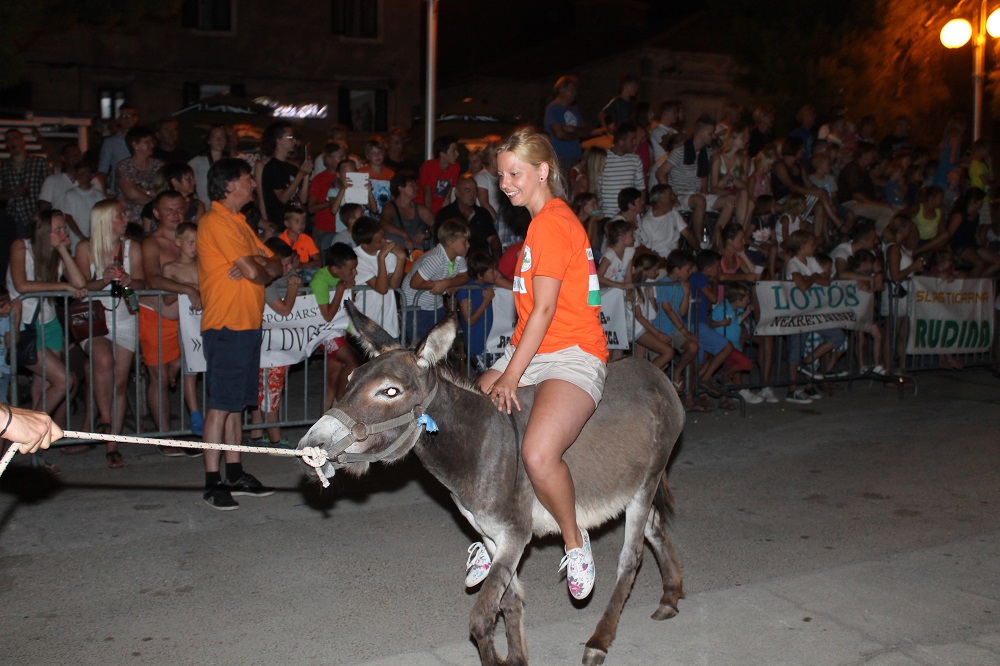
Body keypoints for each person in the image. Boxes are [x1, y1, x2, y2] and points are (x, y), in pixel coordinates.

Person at [473, 127, 608, 601]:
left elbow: (547, 309)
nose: (505, 182)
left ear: (542, 171)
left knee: (537, 453)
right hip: (533, 347)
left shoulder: (551, 221)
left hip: (572, 352)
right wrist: (506, 367)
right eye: (501, 174)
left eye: (515, 173)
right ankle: (496, 531)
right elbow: (532, 315)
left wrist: (511, 374)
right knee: (474, 415)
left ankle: (575, 541)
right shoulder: (538, 223)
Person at [196, 157, 283, 510]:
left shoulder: (240, 223)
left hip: (247, 324)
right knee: (220, 406)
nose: (252, 184)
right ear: (229, 185)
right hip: (227, 324)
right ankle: (211, 481)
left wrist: (258, 265)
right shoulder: (215, 222)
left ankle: (234, 471)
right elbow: (259, 271)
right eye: (248, 179)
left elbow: (275, 265)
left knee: (235, 407)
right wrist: (257, 266)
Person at [74, 198, 145, 468]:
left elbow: (142, 280)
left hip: (125, 317)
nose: (125, 219)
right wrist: (102, 279)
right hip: (94, 318)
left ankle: (112, 445)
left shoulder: (131, 247)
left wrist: (130, 281)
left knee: (119, 383)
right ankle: (105, 420)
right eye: (119, 215)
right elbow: (81, 285)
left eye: (124, 214)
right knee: (103, 360)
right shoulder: (85, 247)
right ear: (104, 220)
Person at [6, 211, 88, 426]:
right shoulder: (21, 247)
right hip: (25, 325)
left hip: (50, 324)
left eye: (65, 229)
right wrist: (62, 286)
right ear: (42, 231)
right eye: (58, 230)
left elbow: (80, 284)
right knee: (64, 380)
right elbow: (21, 285)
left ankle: (35, 452)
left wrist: (63, 250)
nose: (63, 233)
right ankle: (24, 434)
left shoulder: (56, 254)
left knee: (41, 387)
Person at [140, 191, 202, 447]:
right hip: (157, 315)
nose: (176, 215)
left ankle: (187, 422)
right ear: (156, 214)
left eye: (180, 209)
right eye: (170, 210)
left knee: (185, 369)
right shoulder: (152, 243)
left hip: (187, 320)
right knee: (159, 377)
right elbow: (153, 279)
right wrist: (188, 288)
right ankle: (165, 437)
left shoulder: (191, 237)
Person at [247, 237, 302, 448]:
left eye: (290, 263)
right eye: (284, 263)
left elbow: (293, 276)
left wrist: (293, 277)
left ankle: (255, 435)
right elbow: (285, 309)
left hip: (267, 345)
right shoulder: (266, 282)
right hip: (269, 348)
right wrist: (293, 288)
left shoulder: (276, 275)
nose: (288, 268)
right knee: (271, 392)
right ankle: (275, 438)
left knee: (262, 391)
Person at [162, 222, 205, 436]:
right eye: (190, 242)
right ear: (177, 242)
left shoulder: (204, 264)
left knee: (211, 368)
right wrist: (188, 290)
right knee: (191, 372)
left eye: (197, 242)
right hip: (188, 327)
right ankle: (195, 415)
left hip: (207, 323)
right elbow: (168, 298)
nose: (194, 246)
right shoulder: (170, 268)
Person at [399, 218, 470, 344]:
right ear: (450, 243)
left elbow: (464, 277)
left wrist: (446, 283)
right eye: (464, 242)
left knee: (438, 344)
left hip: (434, 303)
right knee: (420, 345)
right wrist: (442, 285)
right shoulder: (435, 259)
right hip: (415, 305)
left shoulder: (459, 258)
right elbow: (414, 283)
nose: (468, 245)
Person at [309, 243, 361, 409]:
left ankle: (322, 421)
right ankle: (341, 402)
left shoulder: (340, 277)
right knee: (354, 362)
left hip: (336, 332)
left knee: (332, 381)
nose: (355, 273)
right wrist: (340, 291)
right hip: (324, 333)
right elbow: (328, 315)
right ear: (335, 269)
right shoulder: (320, 281)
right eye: (350, 270)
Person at [350, 216, 406, 339]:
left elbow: (394, 284)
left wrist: (401, 258)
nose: (385, 242)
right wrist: (381, 258)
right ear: (365, 244)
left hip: (388, 320)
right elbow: (381, 288)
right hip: (365, 321)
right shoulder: (355, 258)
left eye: (383, 237)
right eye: (379, 241)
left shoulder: (388, 251)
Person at [458, 252, 512, 375]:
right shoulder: (466, 290)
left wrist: (499, 277)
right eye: (491, 271)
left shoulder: (488, 286)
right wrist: (486, 301)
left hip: (494, 343)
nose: (495, 273)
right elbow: (469, 320)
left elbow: (514, 288)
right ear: (480, 274)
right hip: (478, 345)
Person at [434, 175, 500, 258]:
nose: (472, 194)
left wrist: (496, 257)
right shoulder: (445, 214)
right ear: (457, 192)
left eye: (475, 190)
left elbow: (493, 239)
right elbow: (439, 243)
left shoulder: (483, 214)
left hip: (481, 263)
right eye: (467, 190)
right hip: (456, 263)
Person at [628, 253, 675, 371]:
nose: (658, 272)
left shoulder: (649, 284)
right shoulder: (634, 288)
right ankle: (647, 378)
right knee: (668, 352)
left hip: (646, 326)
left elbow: (654, 312)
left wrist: (651, 298)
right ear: (645, 270)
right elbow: (639, 317)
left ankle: (639, 382)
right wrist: (658, 334)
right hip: (638, 328)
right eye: (655, 269)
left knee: (639, 361)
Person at [261, 122, 312, 225]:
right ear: (278, 140)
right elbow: (283, 198)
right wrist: (300, 175)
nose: (294, 141)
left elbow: (303, 199)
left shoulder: (292, 167)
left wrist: (306, 174)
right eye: (290, 137)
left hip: (296, 224)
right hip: (281, 224)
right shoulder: (272, 167)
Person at [1, 129, 49, 239]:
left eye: (15, 138)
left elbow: (49, 190)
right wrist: (12, 193)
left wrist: (42, 214)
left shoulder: (38, 162)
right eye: (8, 140)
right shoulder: (4, 167)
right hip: (13, 218)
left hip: (35, 216)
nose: (12, 142)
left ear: (23, 141)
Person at [115, 126, 163, 227]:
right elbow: (132, 194)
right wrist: (159, 203)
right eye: (147, 142)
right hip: (132, 223)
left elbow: (163, 190)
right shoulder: (124, 166)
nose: (152, 145)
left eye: (152, 141)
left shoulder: (159, 165)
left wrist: (142, 191)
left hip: (153, 221)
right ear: (135, 145)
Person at [544, 75, 589, 178]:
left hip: (576, 156)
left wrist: (572, 130)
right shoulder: (552, 109)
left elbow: (586, 131)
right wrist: (577, 134)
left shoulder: (574, 110)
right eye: (571, 89)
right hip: (560, 157)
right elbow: (560, 134)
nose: (575, 93)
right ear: (562, 90)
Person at [380, 171, 434, 253]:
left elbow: (437, 225)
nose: (416, 188)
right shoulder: (390, 207)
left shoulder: (420, 209)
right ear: (400, 187)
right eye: (412, 185)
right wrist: (404, 234)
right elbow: (384, 224)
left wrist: (427, 234)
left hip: (417, 252)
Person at [98, 103, 139, 195]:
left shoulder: (145, 141)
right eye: (123, 116)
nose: (127, 119)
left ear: (136, 118)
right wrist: (104, 194)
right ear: (118, 119)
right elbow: (102, 171)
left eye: (130, 116)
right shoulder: (110, 143)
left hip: (142, 191)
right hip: (119, 193)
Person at [188, 125, 229, 209]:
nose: (219, 140)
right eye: (215, 136)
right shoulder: (196, 162)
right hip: (203, 210)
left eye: (222, 137)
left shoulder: (231, 164)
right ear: (208, 141)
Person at [417, 136, 460, 215]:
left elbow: (448, 196)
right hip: (422, 210)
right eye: (453, 151)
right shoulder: (428, 167)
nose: (457, 154)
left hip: (440, 210)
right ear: (442, 153)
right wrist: (430, 218)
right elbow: (427, 197)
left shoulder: (455, 167)